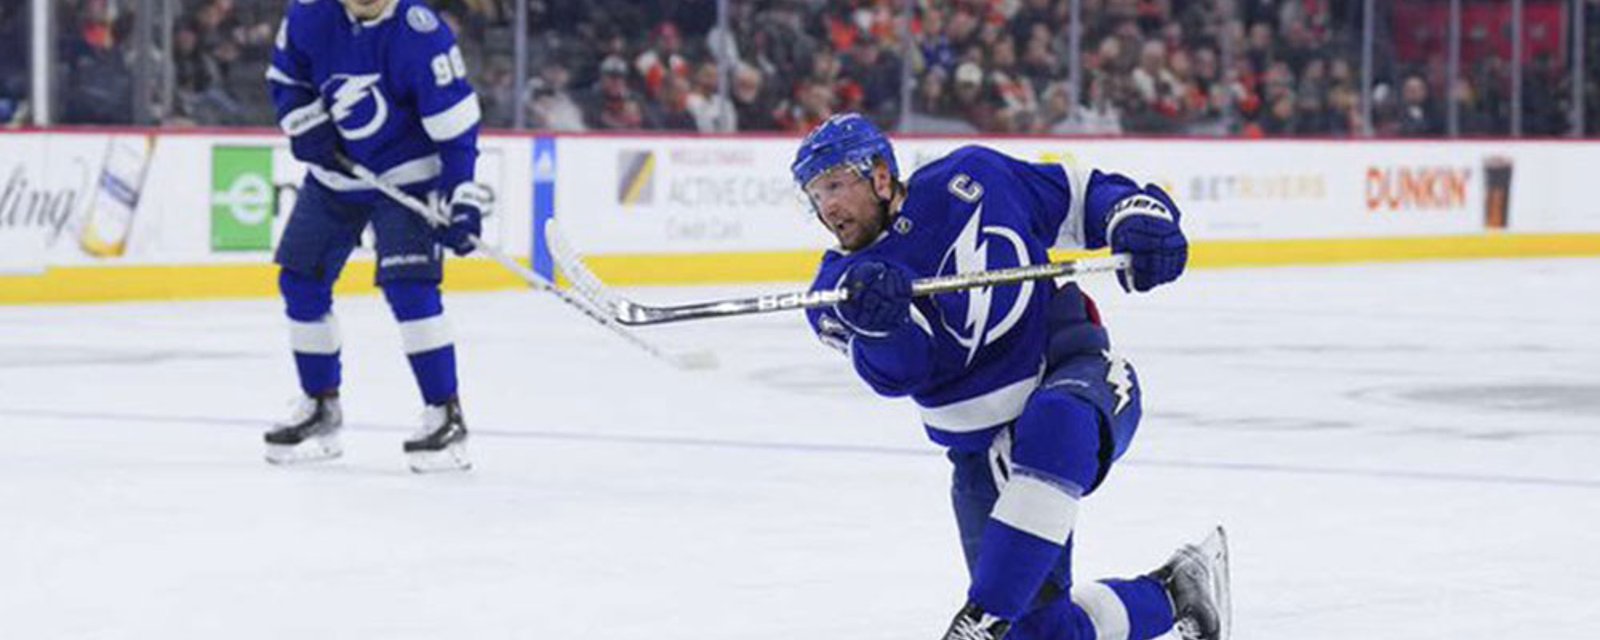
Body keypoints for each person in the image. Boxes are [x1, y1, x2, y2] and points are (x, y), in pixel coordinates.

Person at [793, 114, 1230, 640]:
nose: (829, 206)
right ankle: (1178, 591)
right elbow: (903, 373)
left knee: (1055, 420)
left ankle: (981, 617)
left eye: (837, 184)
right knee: (1044, 633)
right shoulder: (838, 292)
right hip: (978, 458)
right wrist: (881, 327)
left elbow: (1077, 195)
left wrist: (1133, 218)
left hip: (1075, 375)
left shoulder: (975, 177)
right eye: (816, 194)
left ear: (881, 174)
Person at [262, 0, 491, 472]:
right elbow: (286, 79)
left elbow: (457, 132)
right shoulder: (309, 15)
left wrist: (461, 199)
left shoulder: (422, 35)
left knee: (410, 289)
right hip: (336, 177)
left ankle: (445, 415)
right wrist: (304, 121)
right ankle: (321, 407)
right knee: (300, 283)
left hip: (407, 175)